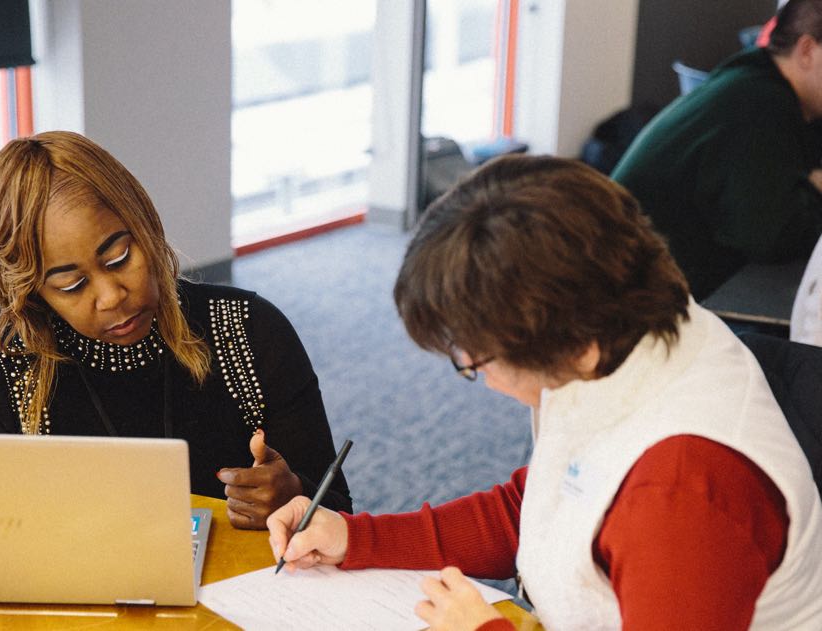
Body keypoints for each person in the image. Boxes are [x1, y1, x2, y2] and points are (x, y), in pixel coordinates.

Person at [267, 155, 822, 630]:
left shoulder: (682, 493)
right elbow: (538, 507)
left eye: (478, 359)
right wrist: (357, 539)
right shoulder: (624, 337)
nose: (482, 378)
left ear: (573, 344)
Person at [0, 130, 351, 529]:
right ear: (31, 293)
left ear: (144, 223)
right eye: (70, 285)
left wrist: (295, 496)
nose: (111, 296)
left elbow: (339, 508)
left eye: (120, 257)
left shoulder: (246, 331)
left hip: (245, 587)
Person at [611, 0, 822, 301]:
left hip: (662, 278)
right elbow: (770, 236)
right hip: (640, 296)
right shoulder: (759, 104)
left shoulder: (758, 80)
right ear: (806, 50)